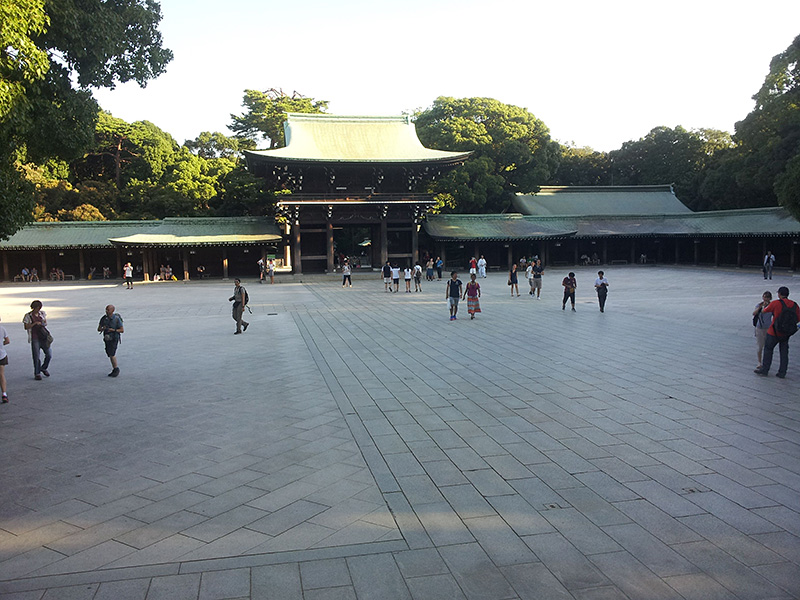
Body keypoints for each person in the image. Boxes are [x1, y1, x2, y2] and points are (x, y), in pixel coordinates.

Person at [755, 286, 800, 378]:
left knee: (768, 349)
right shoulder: (794, 305)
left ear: (779, 294)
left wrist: (763, 307)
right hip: (786, 333)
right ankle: (782, 372)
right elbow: (798, 318)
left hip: (773, 331)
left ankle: (765, 369)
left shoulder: (776, 303)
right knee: (784, 352)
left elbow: (764, 311)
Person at [23, 300, 52, 380]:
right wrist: (34, 324)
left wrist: (42, 323)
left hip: (43, 337)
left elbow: (45, 323)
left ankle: (43, 367)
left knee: (49, 354)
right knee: (36, 356)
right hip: (34, 337)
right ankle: (37, 373)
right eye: (37, 308)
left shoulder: (42, 313)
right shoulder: (28, 316)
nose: (38, 309)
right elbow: (26, 327)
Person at [97, 304, 124, 377]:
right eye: (106, 309)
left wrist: (113, 330)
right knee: (109, 353)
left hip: (114, 338)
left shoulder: (116, 319)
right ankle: (115, 368)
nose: (106, 311)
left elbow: (122, 330)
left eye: (108, 310)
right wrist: (103, 328)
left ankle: (116, 369)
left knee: (112, 354)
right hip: (107, 338)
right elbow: (98, 329)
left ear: (112, 310)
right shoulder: (103, 318)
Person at [753, 291, 773, 370]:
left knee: (767, 346)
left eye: (768, 297)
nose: (766, 299)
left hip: (768, 328)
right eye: (765, 297)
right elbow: (754, 313)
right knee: (760, 346)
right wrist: (760, 308)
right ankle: (759, 362)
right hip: (759, 327)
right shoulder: (759, 305)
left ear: (770, 298)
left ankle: (766, 362)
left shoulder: (772, 306)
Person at [0, 316, 9, 402]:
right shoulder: (2, 329)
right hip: (1, 355)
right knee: (1, 375)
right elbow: (7, 341)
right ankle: (4, 394)